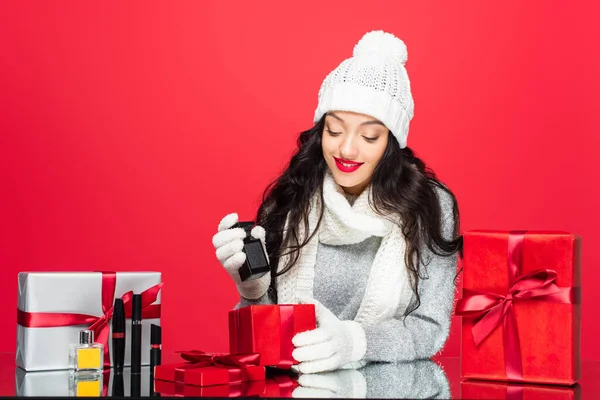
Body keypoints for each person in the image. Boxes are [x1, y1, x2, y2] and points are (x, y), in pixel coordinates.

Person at [212, 30, 463, 374]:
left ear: (392, 142)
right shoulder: (293, 198)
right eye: (334, 130)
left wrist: (354, 341)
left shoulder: (430, 206)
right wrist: (253, 290)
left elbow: (429, 329)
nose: (347, 150)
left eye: (369, 135)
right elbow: (264, 350)